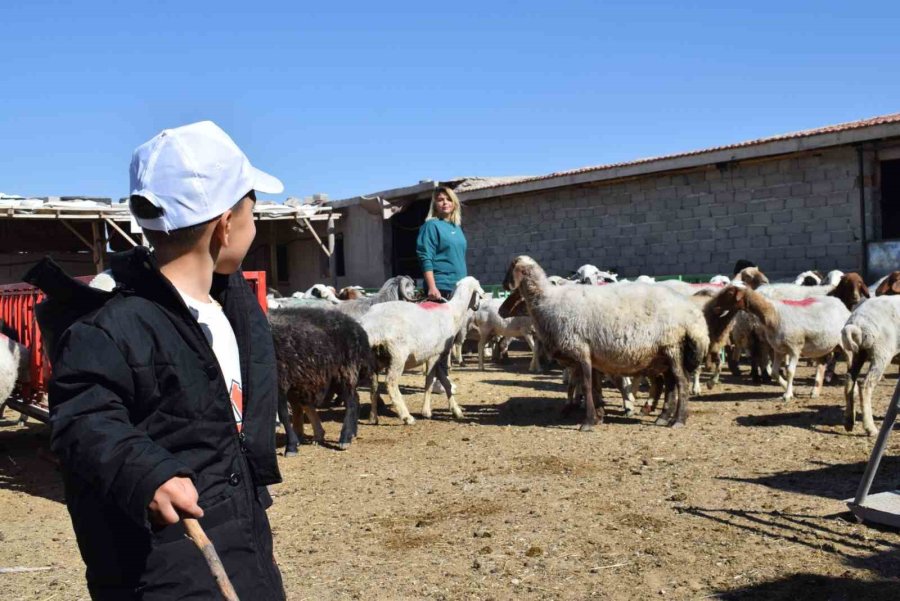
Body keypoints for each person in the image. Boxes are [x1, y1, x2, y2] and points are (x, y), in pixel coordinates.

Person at [47, 121, 286, 600]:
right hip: (166, 566)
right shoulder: (114, 326)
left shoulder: (231, 310)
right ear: (225, 224)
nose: (255, 226)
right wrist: (147, 472)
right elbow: (84, 416)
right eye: (252, 210)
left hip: (239, 539)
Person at [416, 186, 468, 300]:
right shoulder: (431, 225)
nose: (445, 202)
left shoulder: (457, 227)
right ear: (435, 205)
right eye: (440, 200)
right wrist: (432, 287)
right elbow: (425, 257)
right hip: (441, 289)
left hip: (460, 287)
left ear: (454, 203)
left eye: (449, 199)